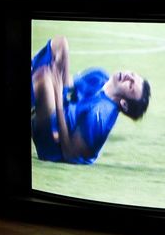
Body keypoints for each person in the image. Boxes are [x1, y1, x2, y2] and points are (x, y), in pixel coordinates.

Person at [30, 36, 150, 164]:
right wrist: (59, 71)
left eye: (130, 85)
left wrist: (57, 97)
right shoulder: (100, 75)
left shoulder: (101, 115)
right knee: (61, 43)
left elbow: (69, 154)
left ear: (124, 104)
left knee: (43, 79)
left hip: (55, 146)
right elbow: (69, 87)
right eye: (132, 75)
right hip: (63, 110)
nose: (128, 76)